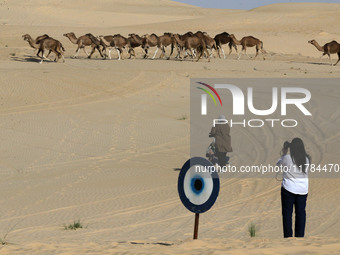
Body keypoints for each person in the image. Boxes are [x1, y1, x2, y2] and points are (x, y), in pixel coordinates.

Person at [277, 138, 310, 238]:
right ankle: (300, 237)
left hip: (288, 188)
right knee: (301, 214)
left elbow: (278, 165)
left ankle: (288, 237)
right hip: (303, 189)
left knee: (287, 214)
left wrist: (283, 153)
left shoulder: (287, 158)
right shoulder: (306, 159)